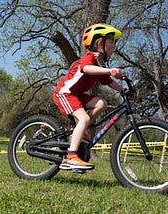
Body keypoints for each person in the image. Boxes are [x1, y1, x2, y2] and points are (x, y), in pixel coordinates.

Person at [53, 23, 125, 170]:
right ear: (100, 43)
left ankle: (79, 130)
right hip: (65, 93)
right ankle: (71, 157)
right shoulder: (90, 57)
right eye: (111, 42)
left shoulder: (101, 64)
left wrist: (123, 91)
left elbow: (108, 82)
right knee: (84, 118)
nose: (114, 46)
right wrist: (110, 70)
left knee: (101, 103)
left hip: (77, 95)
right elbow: (86, 68)